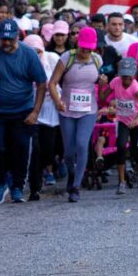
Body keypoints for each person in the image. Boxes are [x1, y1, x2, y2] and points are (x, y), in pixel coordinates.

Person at [0, 19, 48, 204]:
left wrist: (35, 112)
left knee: (21, 147)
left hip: (23, 110)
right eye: (3, 39)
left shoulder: (29, 54)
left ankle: (17, 187)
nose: (6, 43)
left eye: (10, 39)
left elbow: (42, 83)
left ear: (17, 37)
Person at [48, 26, 106, 203]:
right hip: (67, 109)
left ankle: (75, 187)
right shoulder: (67, 57)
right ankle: (71, 175)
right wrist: (58, 101)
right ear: (77, 43)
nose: (85, 51)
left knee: (82, 144)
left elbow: (102, 93)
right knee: (68, 151)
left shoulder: (97, 60)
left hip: (88, 110)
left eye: (89, 49)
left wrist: (103, 84)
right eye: (83, 48)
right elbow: (52, 83)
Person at [103, 57, 138, 195]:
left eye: (128, 76)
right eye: (123, 76)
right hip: (122, 120)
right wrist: (103, 85)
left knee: (134, 148)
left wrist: (136, 119)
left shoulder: (136, 86)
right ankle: (121, 182)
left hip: (137, 122)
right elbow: (103, 97)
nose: (126, 79)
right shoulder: (115, 82)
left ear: (133, 75)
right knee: (121, 147)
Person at [25, 34, 60, 201]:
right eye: (30, 52)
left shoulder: (52, 58)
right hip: (30, 111)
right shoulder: (21, 62)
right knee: (35, 151)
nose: (35, 56)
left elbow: (59, 82)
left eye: (38, 52)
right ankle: (34, 187)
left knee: (48, 150)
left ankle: (54, 166)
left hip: (50, 109)